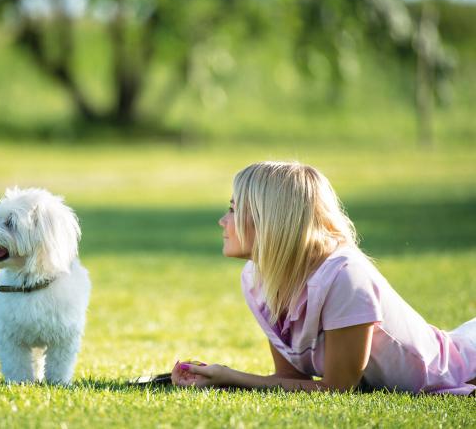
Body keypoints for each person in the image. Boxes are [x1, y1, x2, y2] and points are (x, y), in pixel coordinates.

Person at [171, 161, 476, 394]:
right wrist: (215, 377)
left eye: (233, 209)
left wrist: (232, 377)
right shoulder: (257, 279)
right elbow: (291, 380)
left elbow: (338, 389)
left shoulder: (345, 276)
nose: (222, 221)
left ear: (269, 220)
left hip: (465, 369)